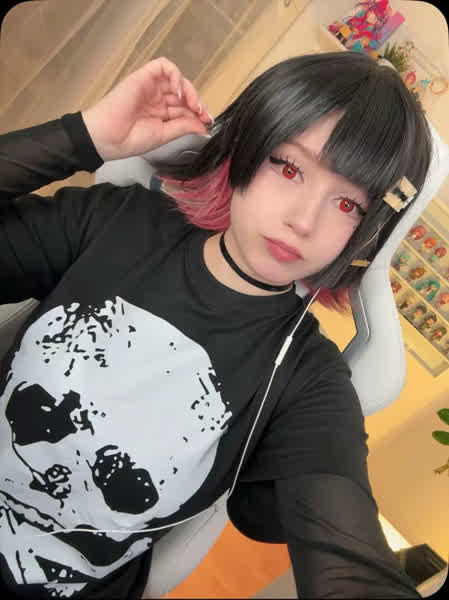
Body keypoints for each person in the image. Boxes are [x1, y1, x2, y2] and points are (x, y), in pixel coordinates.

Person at [0, 52, 431, 599]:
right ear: (246, 146)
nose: (303, 220)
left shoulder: (308, 382)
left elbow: (351, 567)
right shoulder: (116, 223)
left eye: (348, 204)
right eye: (289, 167)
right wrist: (85, 136)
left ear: (368, 234)